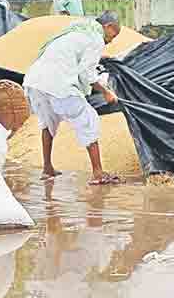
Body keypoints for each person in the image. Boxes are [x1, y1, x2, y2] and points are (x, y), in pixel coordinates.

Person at [24, 10, 123, 185]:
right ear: (107, 27)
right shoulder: (96, 39)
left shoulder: (79, 29)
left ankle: (47, 168)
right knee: (88, 119)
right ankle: (98, 173)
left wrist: (98, 57)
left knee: (48, 123)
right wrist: (106, 92)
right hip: (59, 83)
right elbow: (86, 74)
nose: (110, 41)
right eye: (113, 35)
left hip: (36, 81)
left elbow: (73, 52)